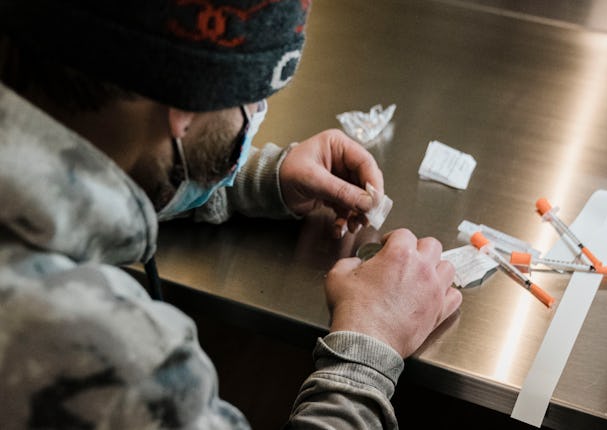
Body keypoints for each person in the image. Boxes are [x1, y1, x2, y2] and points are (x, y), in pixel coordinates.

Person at [0, 1, 462, 428]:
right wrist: (368, 349)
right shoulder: (107, 354)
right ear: (188, 105)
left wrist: (253, 177)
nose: (258, 111)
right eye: (254, 98)